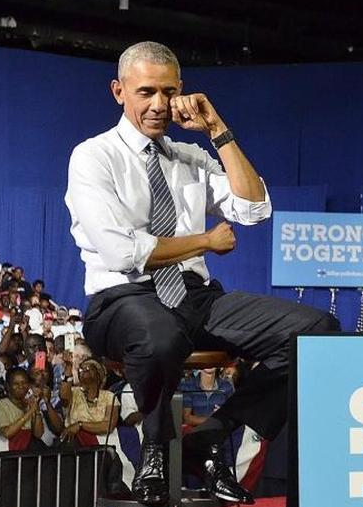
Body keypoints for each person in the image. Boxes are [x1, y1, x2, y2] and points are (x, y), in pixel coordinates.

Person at [65, 41, 339, 505]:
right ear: (119, 91)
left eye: (167, 92)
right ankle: (156, 450)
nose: (157, 104)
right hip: (123, 299)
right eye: (145, 91)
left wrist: (217, 129)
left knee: (317, 330)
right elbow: (121, 250)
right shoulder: (94, 156)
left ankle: (213, 435)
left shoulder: (191, 157)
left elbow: (254, 209)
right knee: (160, 335)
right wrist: (206, 241)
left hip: (195, 297)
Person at [0, 368, 44, 450]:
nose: (21, 386)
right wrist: (29, 412)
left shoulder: (30, 403)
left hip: (29, 452)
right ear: (8, 386)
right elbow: (6, 433)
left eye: (24, 383)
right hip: (11, 452)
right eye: (16, 384)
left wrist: (37, 410)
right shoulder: (2, 404)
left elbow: (38, 434)